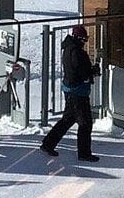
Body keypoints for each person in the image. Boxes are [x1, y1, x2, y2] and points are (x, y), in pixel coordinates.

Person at [40, 24, 98, 161]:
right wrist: (92, 72)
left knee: (68, 119)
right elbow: (80, 73)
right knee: (85, 123)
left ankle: (48, 144)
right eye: (84, 39)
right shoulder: (77, 52)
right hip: (78, 92)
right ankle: (84, 153)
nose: (85, 41)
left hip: (71, 91)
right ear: (78, 38)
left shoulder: (68, 49)